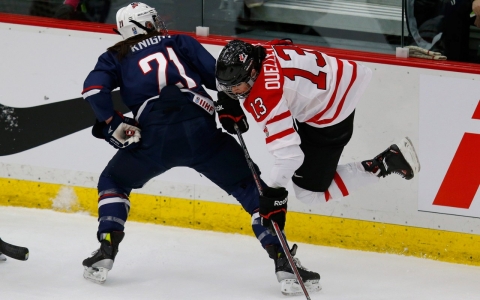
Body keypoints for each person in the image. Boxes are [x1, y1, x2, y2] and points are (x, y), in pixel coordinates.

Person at [81, 2, 320, 295]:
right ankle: (283, 259)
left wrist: (112, 122)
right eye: (154, 21)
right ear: (145, 24)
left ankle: (107, 245)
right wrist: (228, 107)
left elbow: (94, 91)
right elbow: (220, 79)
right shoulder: (178, 41)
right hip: (200, 126)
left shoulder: (114, 55)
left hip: (154, 136)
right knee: (250, 186)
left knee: (114, 181)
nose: (159, 24)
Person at [215, 39, 420, 209]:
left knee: (308, 194)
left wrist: (273, 194)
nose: (233, 92)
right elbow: (286, 43)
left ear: (252, 75)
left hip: (331, 113)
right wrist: (227, 99)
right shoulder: (262, 50)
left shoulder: (265, 95)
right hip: (336, 78)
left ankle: (385, 163)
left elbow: (290, 156)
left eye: (235, 87)